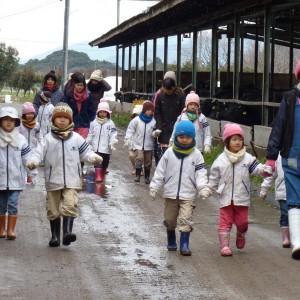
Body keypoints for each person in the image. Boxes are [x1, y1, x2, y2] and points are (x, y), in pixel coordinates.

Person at [26, 103, 103, 247]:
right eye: (59, 117)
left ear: (70, 120)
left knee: (70, 204)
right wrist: (33, 161)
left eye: (65, 118)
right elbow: (38, 153)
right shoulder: (48, 139)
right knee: (53, 208)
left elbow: (86, 151)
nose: (62, 120)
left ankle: (67, 232)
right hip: (53, 179)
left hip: (72, 179)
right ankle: (55, 236)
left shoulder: (76, 138)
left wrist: (93, 158)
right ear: (53, 120)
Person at [207, 123, 272, 257]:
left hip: (241, 197)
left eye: (240, 139)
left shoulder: (247, 158)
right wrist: (208, 188)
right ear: (227, 141)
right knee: (225, 222)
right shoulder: (221, 160)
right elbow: (214, 177)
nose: (238, 142)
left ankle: (241, 234)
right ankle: (225, 246)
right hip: (225, 197)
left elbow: (257, 169)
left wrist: (265, 170)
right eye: (234, 139)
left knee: (243, 223)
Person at [149, 120, 210, 256]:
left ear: (193, 138)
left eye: (188, 137)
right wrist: (154, 186)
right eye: (181, 137)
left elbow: (200, 173)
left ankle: (184, 244)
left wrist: (202, 187)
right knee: (170, 220)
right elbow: (160, 171)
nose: (184, 140)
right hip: (170, 194)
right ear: (176, 137)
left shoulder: (196, 155)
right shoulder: (169, 153)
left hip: (188, 194)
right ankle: (171, 237)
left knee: (186, 219)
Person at [265, 60, 300, 259]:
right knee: (294, 199)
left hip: (293, 155)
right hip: (293, 156)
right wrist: (271, 157)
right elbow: (278, 127)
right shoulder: (289, 99)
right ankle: (297, 243)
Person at [0, 107, 37, 240]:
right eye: (5, 120)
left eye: (11, 120)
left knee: (13, 203)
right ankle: (1, 229)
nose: (8, 122)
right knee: (1, 205)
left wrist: (33, 174)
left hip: (16, 180)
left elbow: (27, 159)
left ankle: (10, 230)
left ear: (16, 122)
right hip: (1, 180)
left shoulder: (20, 140)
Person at [154, 71, 185, 163]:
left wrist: (180, 124)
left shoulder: (181, 95)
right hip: (163, 127)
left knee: (175, 150)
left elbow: (183, 111)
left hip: (177, 125)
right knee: (163, 151)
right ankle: (161, 169)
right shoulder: (159, 95)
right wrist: (159, 127)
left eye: (170, 89)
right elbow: (157, 112)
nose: (168, 92)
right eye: (166, 89)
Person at [260, 155, 291, 248]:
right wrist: (264, 188)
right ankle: (286, 238)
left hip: (296, 191)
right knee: (285, 214)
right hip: (283, 192)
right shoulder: (278, 157)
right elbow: (271, 174)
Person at [86, 99, 118, 182]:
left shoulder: (110, 123)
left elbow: (113, 133)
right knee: (97, 160)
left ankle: (102, 173)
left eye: (104, 112)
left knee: (105, 162)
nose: (102, 114)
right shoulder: (94, 123)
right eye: (101, 112)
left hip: (106, 147)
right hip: (96, 146)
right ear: (98, 112)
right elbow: (90, 133)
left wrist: (112, 141)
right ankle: (98, 175)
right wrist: (87, 141)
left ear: (107, 113)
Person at [124, 101, 156, 184]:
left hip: (149, 144)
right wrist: (128, 139)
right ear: (144, 110)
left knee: (148, 161)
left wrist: (155, 134)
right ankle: (137, 175)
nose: (150, 112)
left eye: (152, 110)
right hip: (138, 144)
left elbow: (154, 132)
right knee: (139, 158)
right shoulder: (137, 120)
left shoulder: (154, 121)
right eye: (148, 110)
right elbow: (130, 129)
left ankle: (147, 177)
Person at [63, 72, 95, 139]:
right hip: (71, 124)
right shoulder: (69, 94)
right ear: (75, 84)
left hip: (84, 124)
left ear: (85, 85)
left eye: (82, 85)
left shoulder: (88, 95)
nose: (80, 87)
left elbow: (92, 109)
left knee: (82, 144)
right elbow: (65, 108)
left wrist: (91, 119)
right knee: (72, 144)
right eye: (78, 85)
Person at [19, 102, 43, 183]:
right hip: (21, 148)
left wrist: (42, 144)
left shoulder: (36, 125)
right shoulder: (19, 124)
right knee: (22, 163)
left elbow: (39, 136)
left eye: (32, 113)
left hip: (32, 148)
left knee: (31, 164)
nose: (30, 115)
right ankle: (23, 177)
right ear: (24, 114)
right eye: (27, 114)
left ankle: (31, 177)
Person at [127, 104, 143, 175]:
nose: (137, 117)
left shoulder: (144, 123)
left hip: (141, 143)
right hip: (133, 143)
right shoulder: (132, 122)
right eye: (135, 115)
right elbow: (129, 131)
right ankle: (134, 167)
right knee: (131, 155)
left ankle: (140, 168)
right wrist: (127, 139)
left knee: (140, 157)